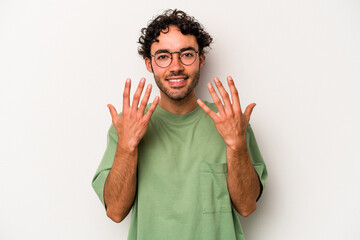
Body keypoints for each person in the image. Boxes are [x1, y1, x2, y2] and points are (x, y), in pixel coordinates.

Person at [92, 9, 267, 240]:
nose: (175, 67)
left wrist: (236, 144)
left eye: (186, 54)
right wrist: (127, 146)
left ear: (201, 59)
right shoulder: (128, 124)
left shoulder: (229, 120)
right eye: (163, 56)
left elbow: (246, 206)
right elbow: (115, 212)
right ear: (149, 63)